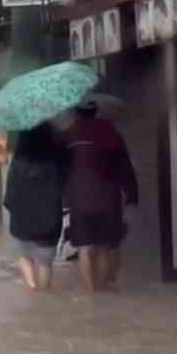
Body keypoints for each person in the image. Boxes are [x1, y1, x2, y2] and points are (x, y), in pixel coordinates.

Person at [52, 102, 139, 291]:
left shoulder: (68, 135)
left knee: (84, 248)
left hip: (79, 201)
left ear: (76, 113)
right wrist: (132, 194)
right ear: (95, 111)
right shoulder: (110, 132)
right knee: (104, 248)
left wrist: (61, 197)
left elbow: (59, 170)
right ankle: (102, 292)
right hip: (108, 200)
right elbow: (124, 167)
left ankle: (91, 297)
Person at [2, 123, 68, 291]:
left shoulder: (18, 161)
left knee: (24, 256)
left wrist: (12, 208)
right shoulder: (56, 160)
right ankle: (44, 297)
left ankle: (32, 286)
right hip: (49, 218)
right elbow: (63, 183)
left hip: (22, 219)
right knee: (45, 262)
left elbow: (10, 193)